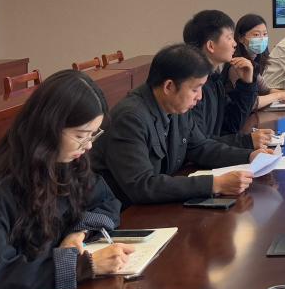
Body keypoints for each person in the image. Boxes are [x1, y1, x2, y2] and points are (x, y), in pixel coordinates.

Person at [0, 70, 135, 289]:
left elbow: (106, 201)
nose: (88, 145)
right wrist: (83, 266)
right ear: (50, 127)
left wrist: (78, 232)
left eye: (93, 135)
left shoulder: (68, 164)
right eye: (81, 136)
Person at [91, 44, 266, 208]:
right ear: (169, 86)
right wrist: (214, 184)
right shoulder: (130, 118)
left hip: (156, 206)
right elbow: (142, 185)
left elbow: (200, 147)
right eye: (195, 89)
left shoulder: (175, 106)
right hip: (122, 213)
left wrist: (249, 156)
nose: (200, 97)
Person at [182, 9, 271, 149]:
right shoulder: (193, 85)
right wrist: (247, 142)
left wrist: (246, 84)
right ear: (211, 46)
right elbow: (198, 144)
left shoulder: (214, 80)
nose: (234, 44)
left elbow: (231, 126)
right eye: (229, 38)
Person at [234, 13, 285, 109]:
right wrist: (279, 95)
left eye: (265, 34)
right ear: (241, 38)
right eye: (256, 35)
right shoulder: (238, 64)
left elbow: (265, 90)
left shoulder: (254, 60)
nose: (262, 39)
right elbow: (251, 103)